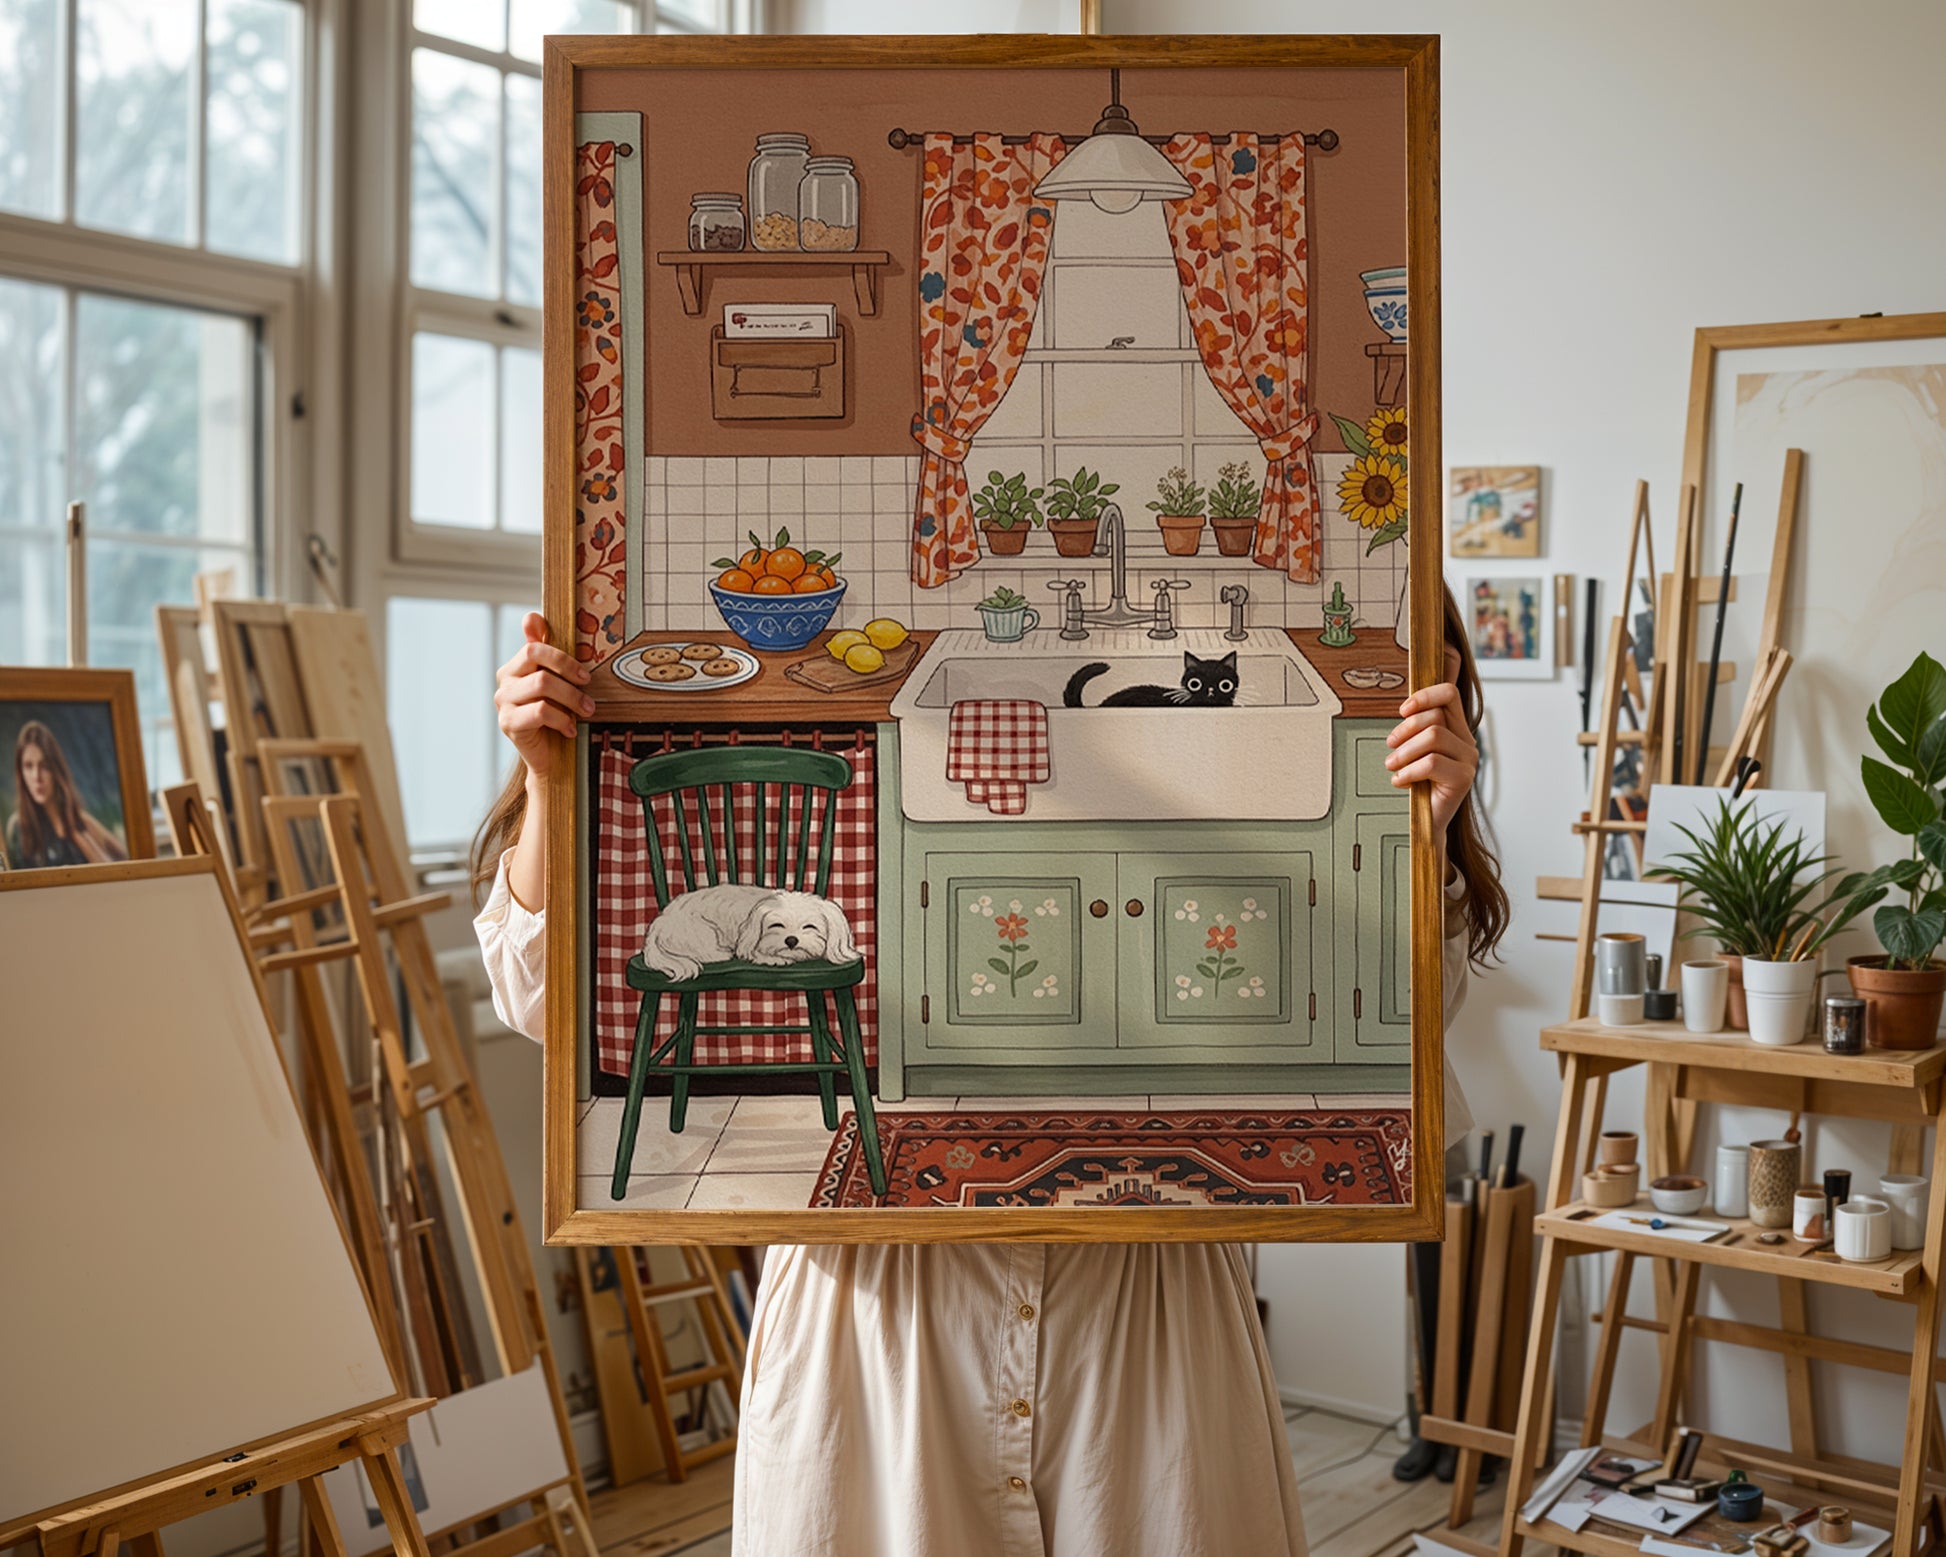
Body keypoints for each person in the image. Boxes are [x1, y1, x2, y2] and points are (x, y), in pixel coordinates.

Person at [473, 589, 1507, 1556]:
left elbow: (1408, 1026)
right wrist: (546, 779)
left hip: (1149, 1312)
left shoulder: (1367, 806)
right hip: (873, 1323)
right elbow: (538, 1006)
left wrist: (1429, 828)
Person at [7, 719, 129, 869]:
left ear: (56, 771)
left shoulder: (80, 821)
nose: (36, 777)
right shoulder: (17, 828)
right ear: (20, 772)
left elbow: (119, 868)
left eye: (44, 766)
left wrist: (74, 830)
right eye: (28, 766)